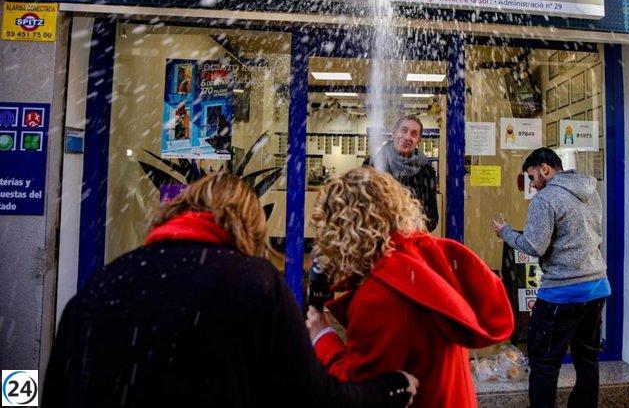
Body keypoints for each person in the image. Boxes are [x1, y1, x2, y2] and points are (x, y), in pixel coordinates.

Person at [44, 173, 418, 408]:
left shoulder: (104, 282)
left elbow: (57, 392)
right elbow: (310, 397)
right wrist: (390, 389)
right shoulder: (255, 284)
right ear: (249, 225)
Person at [305, 166, 515, 408]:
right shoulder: (427, 260)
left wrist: (322, 336)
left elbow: (359, 393)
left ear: (341, 232)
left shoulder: (380, 294)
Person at [492, 147, 609, 408]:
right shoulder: (590, 191)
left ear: (545, 169)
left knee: (544, 362)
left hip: (562, 292)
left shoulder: (546, 199)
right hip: (597, 286)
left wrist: (506, 232)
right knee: (587, 360)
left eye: (532, 177)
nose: (532, 185)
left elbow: (534, 246)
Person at [364, 115, 439, 231]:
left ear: (418, 140)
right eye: (403, 130)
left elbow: (431, 218)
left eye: (414, 134)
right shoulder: (372, 166)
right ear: (394, 132)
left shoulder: (426, 172)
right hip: (379, 237)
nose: (407, 137)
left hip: (411, 237)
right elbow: (362, 209)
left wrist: (409, 230)